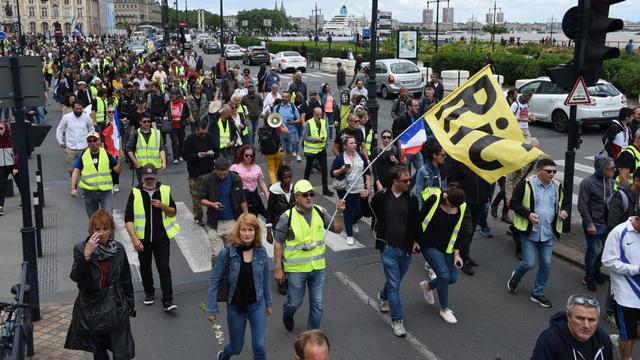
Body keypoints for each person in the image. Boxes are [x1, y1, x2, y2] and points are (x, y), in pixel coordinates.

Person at [64, 209, 136, 360]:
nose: (102, 233)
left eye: (105, 228)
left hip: (117, 306)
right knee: (99, 351)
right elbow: (77, 278)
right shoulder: (80, 248)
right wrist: (86, 256)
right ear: (91, 230)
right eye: (97, 229)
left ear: (111, 230)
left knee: (122, 351)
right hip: (94, 308)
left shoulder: (118, 250)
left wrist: (130, 302)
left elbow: (126, 278)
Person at [273, 180, 345, 332]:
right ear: (296, 197)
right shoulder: (287, 217)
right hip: (296, 270)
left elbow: (337, 229)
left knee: (317, 304)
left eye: (311, 194)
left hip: (318, 268)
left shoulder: (320, 211)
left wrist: (339, 213)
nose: (309, 197)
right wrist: (278, 269)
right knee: (295, 302)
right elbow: (278, 243)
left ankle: (311, 336)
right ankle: (288, 312)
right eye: (305, 195)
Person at [207, 213, 272, 360]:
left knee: (260, 347)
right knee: (236, 348)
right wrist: (212, 309)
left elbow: (265, 279)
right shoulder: (227, 253)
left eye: (251, 230)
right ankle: (223, 356)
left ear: (256, 231)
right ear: (238, 231)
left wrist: (268, 303)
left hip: (257, 305)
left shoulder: (261, 252)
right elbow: (214, 280)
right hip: (236, 307)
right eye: (244, 230)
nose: (247, 234)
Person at [507, 159, 569, 308]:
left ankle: (537, 293)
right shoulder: (527, 184)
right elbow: (513, 203)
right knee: (529, 263)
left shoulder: (557, 186)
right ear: (539, 171)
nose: (552, 174)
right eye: (549, 171)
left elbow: (564, 202)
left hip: (547, 233)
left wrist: (564, 211)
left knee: (546, 264)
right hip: (530, 232)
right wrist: (528, 214)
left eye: (554, 171)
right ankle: (515, 277)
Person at [370, 166, 420, 336]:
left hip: (405, 249)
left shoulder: (412, 199)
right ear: (395, 181)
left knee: (395, 281)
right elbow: (368, 212)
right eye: (405, 180)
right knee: (394, 284)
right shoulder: (381, 197)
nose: (409, 182)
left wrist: (415, 241)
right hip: (388, 248)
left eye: (409, 179)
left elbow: (415, 222)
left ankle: (382, 296)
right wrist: (363, 199)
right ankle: (397, 320)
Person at [124, 164, 180, 311]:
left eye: (152, 178)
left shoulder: (164, 190)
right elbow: (128, 219)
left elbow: (173, 212)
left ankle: (167, 300)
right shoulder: (135, 193)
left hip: (161, 238)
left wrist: (163, 206)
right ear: (142, 178)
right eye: (147, 178)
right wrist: (135, 239)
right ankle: (149, 292)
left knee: (164, 268)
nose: (149, 181)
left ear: (156, 177)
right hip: (143, 239)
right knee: (145, 267)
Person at [417, 183, 466, 324]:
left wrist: (457, 254)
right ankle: (444, 310)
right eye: (451, 205)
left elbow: (459, 232)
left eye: (455, 207)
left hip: (447, 248)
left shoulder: (461, 207)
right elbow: (419, 220)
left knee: (452, 278)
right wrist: (415, 241)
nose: (453, 209)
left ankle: (428, 286)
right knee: (443, 275)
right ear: (446, 197)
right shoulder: (434, 200)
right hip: (429, 244)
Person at [603, 209, 640, 360]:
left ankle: (618, 341)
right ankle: (625, 357)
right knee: (627, 334)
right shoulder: (619, 232)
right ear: (638, 218)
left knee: (631, 332)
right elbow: (608, 260)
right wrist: (636, 269)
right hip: (625, 294)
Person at [531, 294, 614, 360]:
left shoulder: (603, 338)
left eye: (592, 320)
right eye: (580, 318)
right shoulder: (550, 340)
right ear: (568, 317)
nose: (586, 325)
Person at [199, 157, 248, 265]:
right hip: (214, 224)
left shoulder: (235, 178)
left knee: (232, 255)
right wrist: (212, 204)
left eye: (224, 174)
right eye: (220, 174)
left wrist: (246, 217)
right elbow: (201, 199)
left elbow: (242, 198)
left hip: (232, 222)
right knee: (217, 255)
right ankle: (217, 279)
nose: (222, 176)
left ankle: (230, 279)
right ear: (215, 169)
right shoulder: (207, 179)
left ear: (229, 169)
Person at [578, 155, 615, 292]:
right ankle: (588, 277)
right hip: (594, 223)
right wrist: (589, 224)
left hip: (607, 224)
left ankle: (595, 270)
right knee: (593, 250)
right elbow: (582, 205)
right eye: (611, 168)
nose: (614, 170)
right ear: (603, 169)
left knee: (607, 250)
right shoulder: (587, 183)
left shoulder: (610, 181)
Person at [330, 136, 371, 246]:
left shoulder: (361, 156)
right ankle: (349, 235)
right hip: (345, 190)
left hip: (360, 189)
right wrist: (342, 170)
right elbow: (332, 173)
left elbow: (367, 172)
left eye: (355, 143)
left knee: (360, 211)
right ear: (345, 146)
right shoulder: (340, 158)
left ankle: (352, 222)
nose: (355, 145)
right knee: (347, 212)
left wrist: (368, 188)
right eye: (351, 143)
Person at [70, 132, 123, 217]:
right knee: (93, 219)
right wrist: (73, 188)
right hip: (89, 192)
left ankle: (107, 230)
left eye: (95, 140)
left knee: (108, 217)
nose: (92, 143)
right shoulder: (83, 155)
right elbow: (76, 171)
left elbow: (117, 170)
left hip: (105, 192)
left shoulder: (106, 154)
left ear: (99, 141)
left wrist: (121, 161)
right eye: (90, 141)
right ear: (87, 143)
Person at [265, 165, 295, 295]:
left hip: (294, 226)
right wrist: (268, 231)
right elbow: (270, 212)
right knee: (280, 254)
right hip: (279, 226)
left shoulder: (295, 189)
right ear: (280, 179)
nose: (288, 180)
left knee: (292, 253)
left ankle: (290, 276)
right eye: (285, 178)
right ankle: (281, 281)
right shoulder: (274, 191)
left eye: (290, 177)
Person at [183, 120, 215, 226]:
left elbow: (216, 149)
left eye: (205, 133)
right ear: (197, 129)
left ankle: (212, 216)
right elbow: (185, 156)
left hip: (208, 172)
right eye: (201, 133)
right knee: (196, 197)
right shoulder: (190, 139)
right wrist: (196, 155)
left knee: (211, 196)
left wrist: (212, 153)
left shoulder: (209, 136)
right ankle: (198, 217)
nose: (203, 135)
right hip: (195, 173)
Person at [126, 112, 167, 184]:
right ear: (140, 122)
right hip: (141, 167)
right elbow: (128, 148)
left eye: (148, 121)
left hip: (154, 166)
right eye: (144, 121)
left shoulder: (157, 133)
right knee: (143, 189)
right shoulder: (136, 133)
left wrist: (164, 162)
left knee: (154, 187)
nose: (147, 123)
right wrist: (136, 162)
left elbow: (161, 148)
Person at [57, 100, 95, 176]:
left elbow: (91, 129)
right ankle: (73, 186)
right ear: (73, 108)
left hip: (84, 148)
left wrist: (91, 141)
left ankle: (84, 186)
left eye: (80, 108)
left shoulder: (86, 117)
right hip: (71, 149)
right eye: (76, 109)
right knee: (72, 170)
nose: (78, 110)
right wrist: (60, 142)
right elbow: (60, 129)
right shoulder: (66, 117)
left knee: (85, 170)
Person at [392, 98, 424, 185]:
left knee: (422, 170)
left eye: (418, 105)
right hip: (405, 151)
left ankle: (410, 186)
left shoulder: (418, 116)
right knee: (404, 174)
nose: (418, 107)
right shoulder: (402, 119)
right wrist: (402, 155)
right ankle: (404, 190)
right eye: (415, 106)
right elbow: (399, 138)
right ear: (409, 107)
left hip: (415, 150)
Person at [230, 145, 269, 217]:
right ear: (242, 155)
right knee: (243, 219)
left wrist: (267, 195)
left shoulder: (256, 167)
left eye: (251, 156)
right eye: (246, 155)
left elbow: (261, 182)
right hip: (241, 197)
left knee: (254, 218)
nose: (248, 157)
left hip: (254, 197)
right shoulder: (235, 167)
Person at [303, 107, 333, 197]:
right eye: (317, 115)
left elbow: (326, 134)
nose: (319, 117)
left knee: (324, 169)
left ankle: (325, 189)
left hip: (321, 150)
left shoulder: (323, 122)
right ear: (313, 114)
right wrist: (316, 140)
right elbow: (305, 136)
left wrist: (326, 145)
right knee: (308, 168)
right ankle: (305, 187)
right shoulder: (308, 123)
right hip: (311, 150)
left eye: (321, 115)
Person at [415, 143, 448, 209]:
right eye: (443, 155)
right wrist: (420, 208)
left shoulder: (443, 169)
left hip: (439, 205)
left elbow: (444, 188)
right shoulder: (423, 170)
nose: (445, 157)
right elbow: (419, 191)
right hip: (428, 205)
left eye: (445, 155)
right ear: (434, 155)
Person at [276, 91, 303, 165]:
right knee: (280, 150)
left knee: (289, 150)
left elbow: (299, 119)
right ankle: (281, 165)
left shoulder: (293, 107)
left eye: (286, 97)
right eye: (283, 97)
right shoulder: (277, 107)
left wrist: (293, 122)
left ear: (289, 98)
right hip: (280, 132)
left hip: (291, 132)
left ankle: (287, 166)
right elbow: (273, 119)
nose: (284, 98)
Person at [0, 121, 19, 216]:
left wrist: (16, 167)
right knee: (1, 186)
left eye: (1, 128)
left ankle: (24, 200)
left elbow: (16, 154)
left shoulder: (10, 139)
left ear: (5, 128)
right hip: (2, 166)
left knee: (20, 184)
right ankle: (0, 206)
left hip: (12, 165)